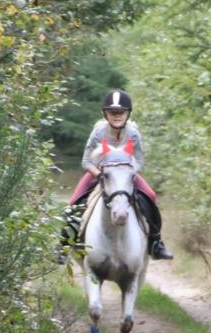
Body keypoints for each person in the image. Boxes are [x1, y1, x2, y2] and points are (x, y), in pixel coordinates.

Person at [65, 88, 173, 260]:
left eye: (121, 112)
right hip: (99, 173)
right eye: (112, 112)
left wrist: (126, 174)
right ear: (105, 114)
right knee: (73, 202)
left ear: (127, 114)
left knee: (151, 196)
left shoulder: (133, 133)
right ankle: (64, 244)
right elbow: (86, 162)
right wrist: (101, 175)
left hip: (125, 174)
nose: (117, 116)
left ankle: (156, 243)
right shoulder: (99, 132)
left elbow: (139, 161)